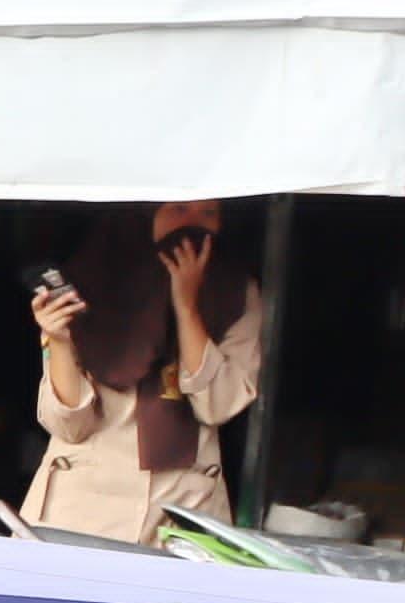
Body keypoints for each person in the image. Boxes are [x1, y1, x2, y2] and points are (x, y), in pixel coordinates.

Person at [22, 201, 261, 542]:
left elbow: (218, 406)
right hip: (80, 513)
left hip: (183, 514)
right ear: (144, 213)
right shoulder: (86, 285)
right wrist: (58, 340)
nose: (192, 224)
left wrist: (187, 307)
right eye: (178, 208)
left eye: (209, 214)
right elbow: (69, 425)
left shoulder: (235, 293)